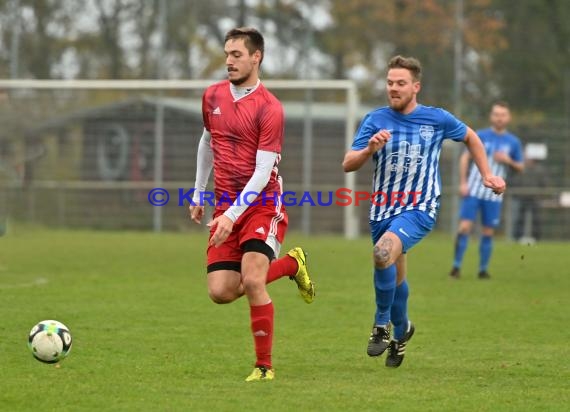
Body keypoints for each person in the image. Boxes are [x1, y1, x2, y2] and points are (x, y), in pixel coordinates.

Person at [342, 55, 505, 368]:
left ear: (415, 87)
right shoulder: (375, 120)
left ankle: (381, 326)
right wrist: (369, 150)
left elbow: (471, 137)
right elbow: (348, 163)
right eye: (390, 83)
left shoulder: (436, 119)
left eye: (400, 83)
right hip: (382, 211)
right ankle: (403, 331)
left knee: (381, 253)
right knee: (395, 273)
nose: (394, 88)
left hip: (420, 207)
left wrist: (485, 175)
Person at [189, 27, 315, 382]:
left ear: (256, 57)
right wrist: (199, 191)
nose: (229, 61)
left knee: (253, 281)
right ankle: (292, 264)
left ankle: (264, 367)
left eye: (237, 55)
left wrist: (231, 214)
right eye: (227, 54)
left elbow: (263, 171)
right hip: (226, 206)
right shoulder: (212, 95)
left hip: (262, 204)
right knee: (221, 292)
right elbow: (206, 141)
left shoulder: (269, 108)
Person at [449, 102, 524, 279]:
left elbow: (520, 167)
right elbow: (465, 158)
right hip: (474, 190)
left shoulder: (513, 142)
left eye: (503, 114)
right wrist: (463, 182)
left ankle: (483, 269)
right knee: (465, 227)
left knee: (488, 231)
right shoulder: (480, 135)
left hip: (494, 194)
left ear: (508, 117)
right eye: (496, 114)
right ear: (491, 116)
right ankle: (456, 266)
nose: (499, 117)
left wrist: (508, 160)